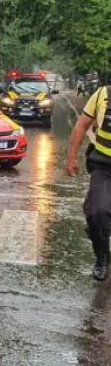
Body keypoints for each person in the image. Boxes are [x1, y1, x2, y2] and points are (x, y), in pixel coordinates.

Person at [67, 83, 111, 280]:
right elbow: (82, 125)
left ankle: (100, 230)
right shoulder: (103, 94)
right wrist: (71, 158)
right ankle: (102, 257)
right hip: (104, 165)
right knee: (97, 212)